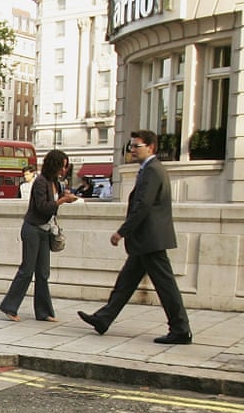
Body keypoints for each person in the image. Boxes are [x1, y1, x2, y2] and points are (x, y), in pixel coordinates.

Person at [78, 130, 192, 344]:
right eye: (131, 146)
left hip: (150, 239)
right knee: (126, 282)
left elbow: (142, 206)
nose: (132, 150)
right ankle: (103, 318)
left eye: (136, 146)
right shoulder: (149, 169)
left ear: (150, 147)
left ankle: (180, 329)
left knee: (165, 286)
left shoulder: (152, 170)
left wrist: (122, 232)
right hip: (146, 240)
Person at [0, 150, 78, 322]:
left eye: (66, 167)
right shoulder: (40, 182)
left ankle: (44, 312)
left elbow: (52, 205)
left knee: (43, 272)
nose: (64, 170)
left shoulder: (55, 182)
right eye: (62, 166)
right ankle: (9, 306)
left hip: (45, 230)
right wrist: (62, 201)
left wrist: (64, 197)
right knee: (27, 270)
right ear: (54, 165)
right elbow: (42, 207)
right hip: (32, 229)